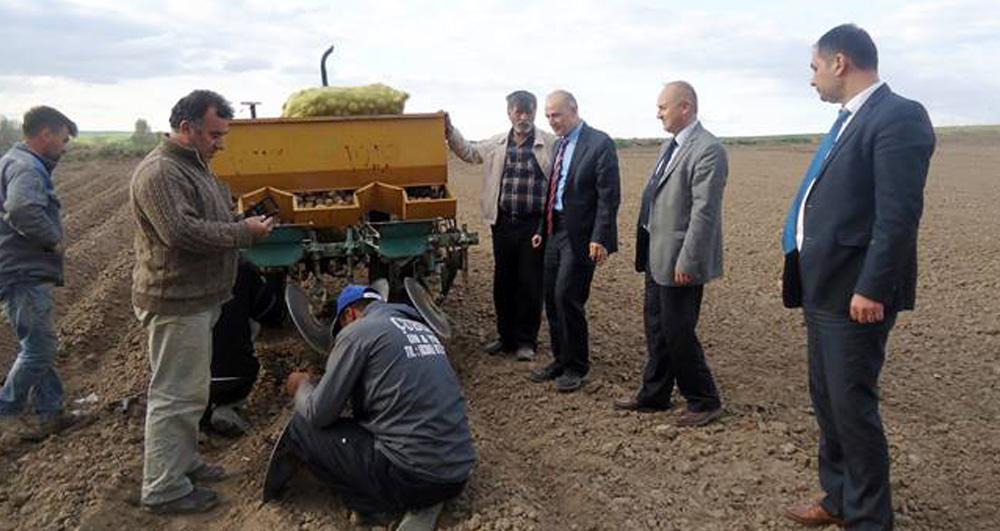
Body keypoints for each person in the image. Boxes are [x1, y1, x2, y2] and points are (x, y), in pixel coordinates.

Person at [780, 24, 935, 530]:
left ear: (839, 62)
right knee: (828, 401)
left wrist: (872, 286)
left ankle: (870, 518)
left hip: (855, 293)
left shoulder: (898, 117)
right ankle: (840, 497)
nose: (812, 79)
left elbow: (897, 216)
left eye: (814, 67)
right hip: (823, 287)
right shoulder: (849, 119)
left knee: (852, 406)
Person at [130, 90, 274, 514]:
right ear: (187, 128)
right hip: (176, 300)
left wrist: (236, 222)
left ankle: (184, 461)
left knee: (191, 391)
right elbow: (183, 233)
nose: (220, 142)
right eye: (214, 134)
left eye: (223, 134)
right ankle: (164, 488)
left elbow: (208, 222)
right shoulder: (161, 173)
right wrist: (243, 232)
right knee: (175, 395)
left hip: (200, 298)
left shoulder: (196, 168)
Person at [273, 284, 476, 528]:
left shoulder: (358, 331)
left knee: (302, 426)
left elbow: (318, 414)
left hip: (415, 479)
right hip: (457, 473)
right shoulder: (421, 329)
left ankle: (374, 507)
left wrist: (302, 387)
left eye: (340, 330)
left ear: (350, 315)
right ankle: (422, 496)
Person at [613, 81, 726, 427]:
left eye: (663, 106)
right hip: (656, 253)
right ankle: (654, 395)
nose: (658, 113)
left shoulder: (708, 149)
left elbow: (704, 213)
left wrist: (688, 261)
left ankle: (704, 399)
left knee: (678, 331)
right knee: (657, 328)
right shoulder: (671, 145)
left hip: (680, 259)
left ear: (686, 107)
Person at [446, 91, 557, 361]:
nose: (523, 117)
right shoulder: (497, 143)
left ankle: (526, 341)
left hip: (535, 225)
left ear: (535, 112)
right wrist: (449, 130)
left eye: (528, 111)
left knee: (530, 283)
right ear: (509, 113)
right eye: (518, 111)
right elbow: (470, 153)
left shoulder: (551, 143)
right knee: (503, 281)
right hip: (503, 222)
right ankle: (505, 338)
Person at [0, 106, 84, 442]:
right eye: (63, 140)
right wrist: (53, 240)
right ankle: (6, 410)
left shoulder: (12, 160)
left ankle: (50, 411)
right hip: (23, 270)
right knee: (40, 349)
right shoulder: (27, 168)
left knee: (36, 344)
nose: (64, 148)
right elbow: (22, 209)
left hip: (16, 266)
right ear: (45, 134)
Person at [528, 90, 620, 393]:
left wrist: (600, 237)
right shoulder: (559, 145)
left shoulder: (599, 143)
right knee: (551, 297)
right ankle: (560, 359)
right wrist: (543, 227)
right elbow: (554, 191)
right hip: (555, 230)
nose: (552, 121)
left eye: (557, 115)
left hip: (581, 235)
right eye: (549, 116)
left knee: (568, 295)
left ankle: (577, 366)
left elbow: (609, 196)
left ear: (574, 110)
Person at [203, 260, 281, 437]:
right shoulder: (241, 266)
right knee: (251, 316)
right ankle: (229, 405)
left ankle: (196, 416)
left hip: (186, 381)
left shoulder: (179, 272)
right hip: (233, 377)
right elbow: (270, 313)